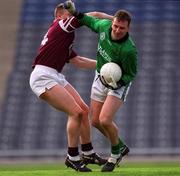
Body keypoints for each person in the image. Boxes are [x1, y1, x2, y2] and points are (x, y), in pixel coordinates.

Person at [29, 3, 113, 172]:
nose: (72, 17)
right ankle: (72, 156)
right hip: (43, 76)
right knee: (75, 112)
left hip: (54, 75)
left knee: (83, 109)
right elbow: (92, 14)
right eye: (69, 14)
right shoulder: (61, 24)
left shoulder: (61, 36)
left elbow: (78, 61)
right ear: (60, 16)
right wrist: (114, 19)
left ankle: (88, 152)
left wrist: (105, 64)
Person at [64, 1, 138, 172]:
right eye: (116, 26)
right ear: (112, 23)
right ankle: (120, 146)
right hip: (100, 77)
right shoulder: (104, 26)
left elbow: (131, 74)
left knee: (105, 119)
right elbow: (89, 21)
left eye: (122, 28)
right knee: (96, 121)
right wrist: (75, 12)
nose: (117, 30)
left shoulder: (129, 50)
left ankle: (115, 154)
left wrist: (116, 83)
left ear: (128, 29)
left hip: (119, 83)